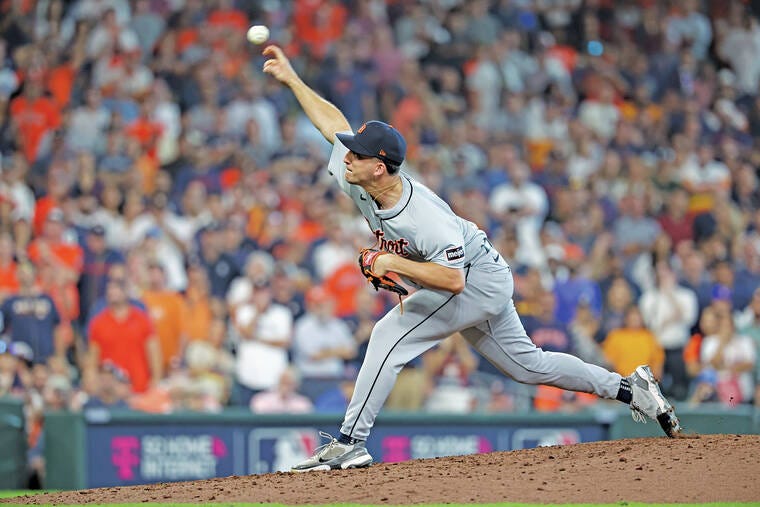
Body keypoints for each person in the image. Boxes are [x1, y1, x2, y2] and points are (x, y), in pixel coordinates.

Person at [261, 45, 683, 472]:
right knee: (528, 366)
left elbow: (453, 280)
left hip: (473, 278)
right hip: (479, 273)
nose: (346, 156)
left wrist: (392, 264)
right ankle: (632, 390)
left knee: (389, 336)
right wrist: (294, 79)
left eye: (358, 154)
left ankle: (351, 441)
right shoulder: (361, 180)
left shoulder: (422, 217)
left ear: (380, 167)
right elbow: (335, 127)